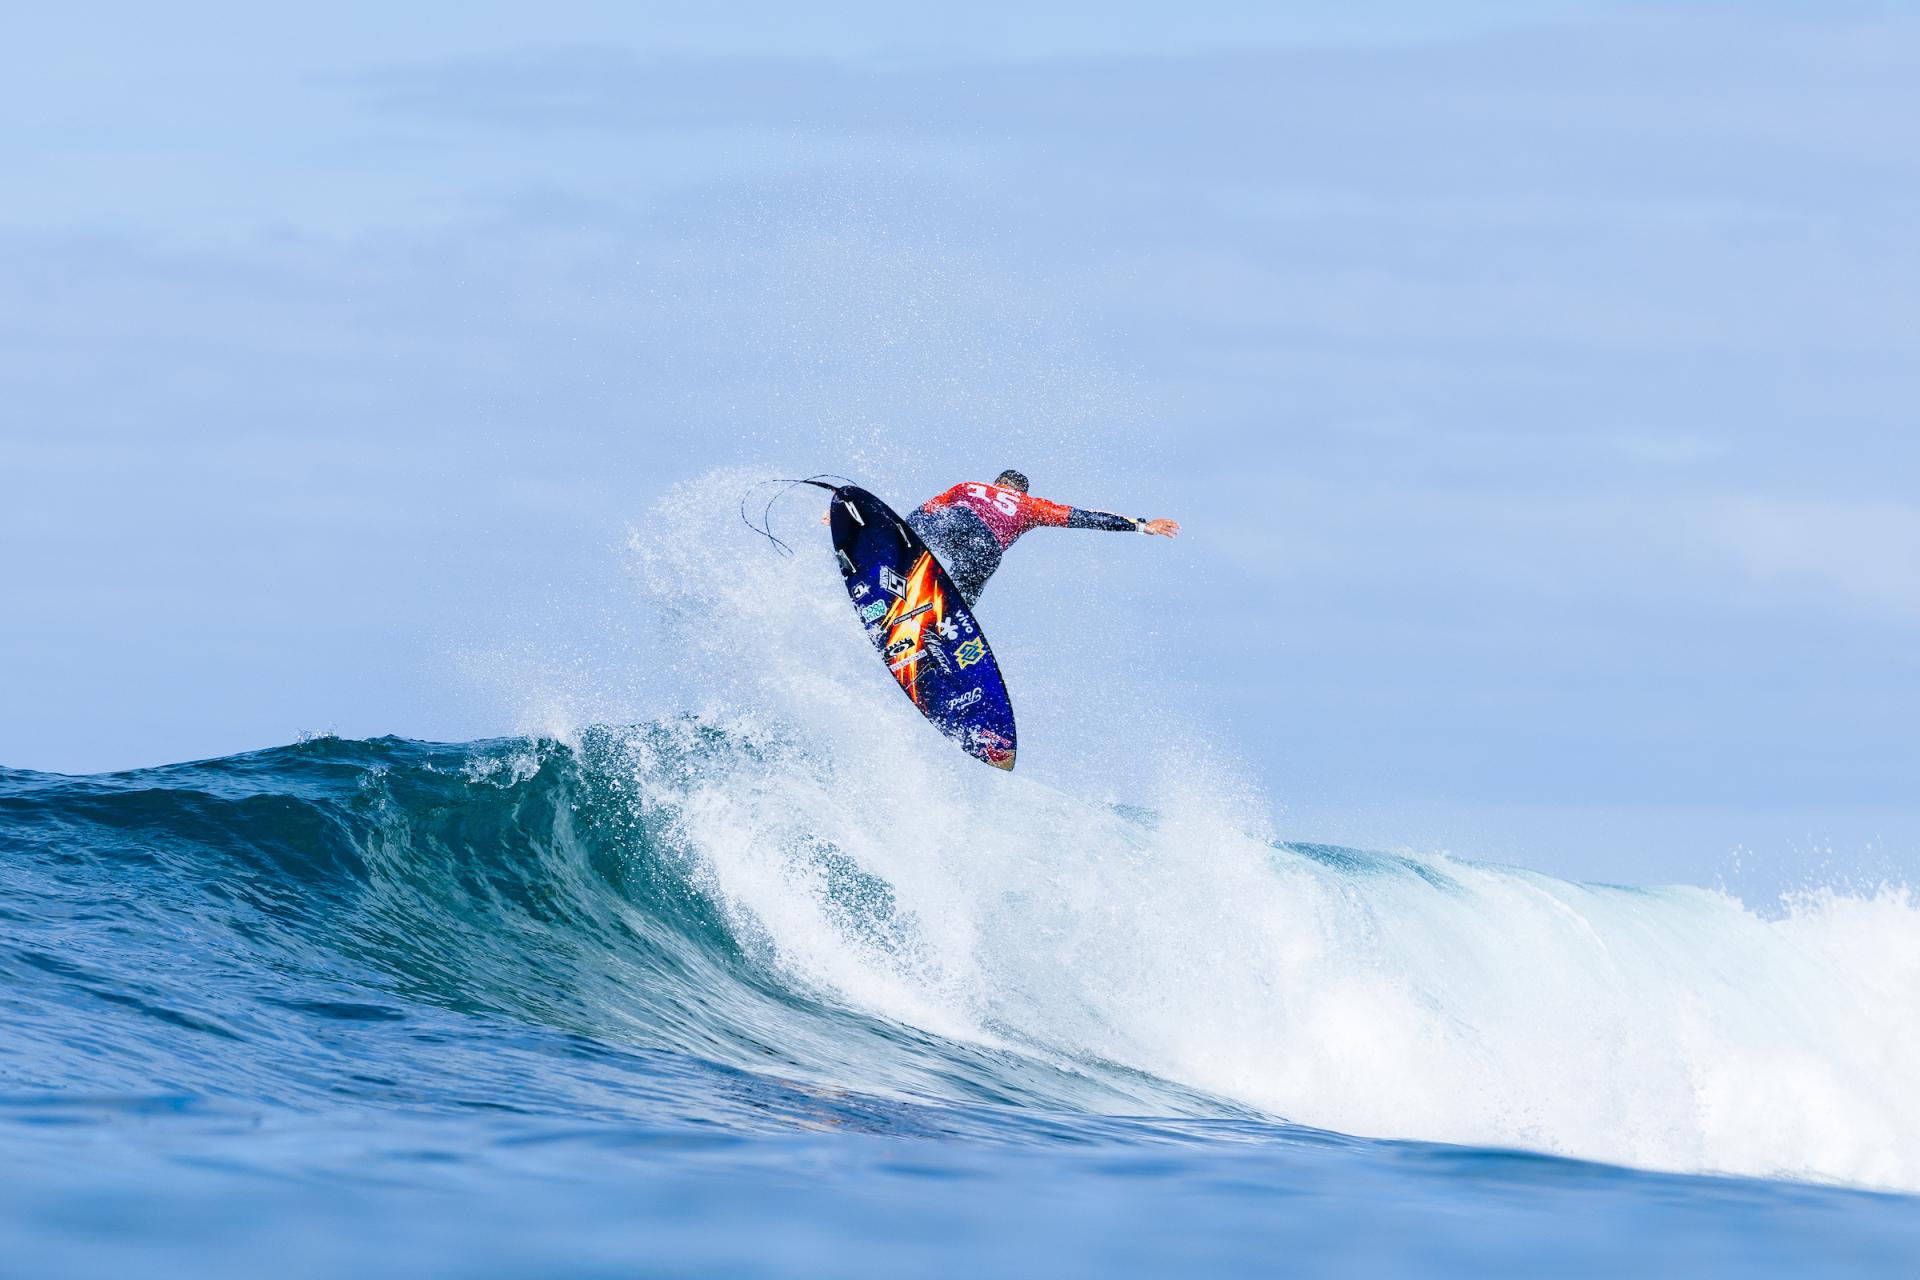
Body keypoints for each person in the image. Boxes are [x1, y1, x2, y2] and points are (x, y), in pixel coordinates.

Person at [905, 470, 1179, 605]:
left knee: (917, 531)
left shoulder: (968, 486)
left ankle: (891, 551)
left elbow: (924, 512)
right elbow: (1085, 517)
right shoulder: (1029, 505)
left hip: (955, 521)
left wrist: (901, 530)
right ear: (1022, 491)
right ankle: (942, 624)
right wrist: (1142, 526)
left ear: (996, 482)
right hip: (987, 550)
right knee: (960, 599)